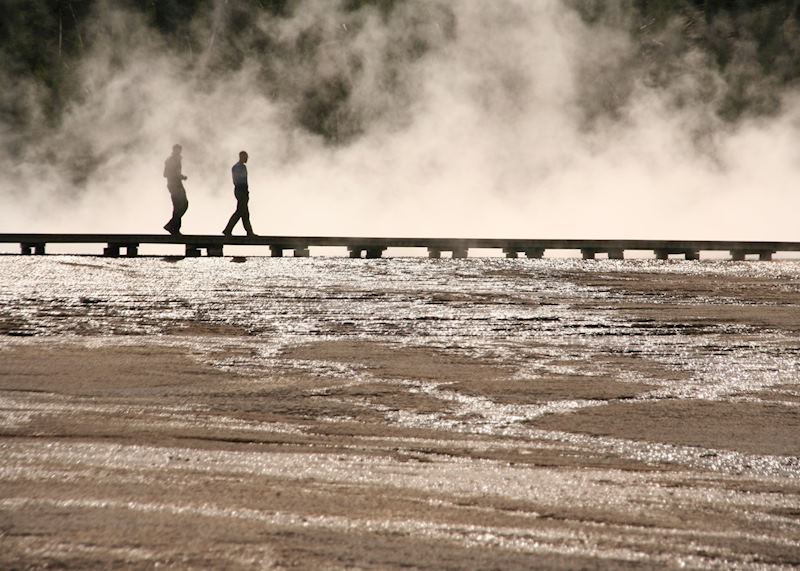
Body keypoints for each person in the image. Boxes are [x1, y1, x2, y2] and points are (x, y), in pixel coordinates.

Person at [223, 150, 256, 236]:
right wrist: (244, 192)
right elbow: (239, 180)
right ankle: (228, 230)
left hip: (241, 190)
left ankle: (249, 232)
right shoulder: (239, 167)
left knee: (244, 213)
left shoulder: (238, 167)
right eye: (246, 157)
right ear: (242, 157)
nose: (247, 159)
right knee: (240, 212)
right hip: (241, 190)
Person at [163, 144, 188, 235]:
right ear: (174, 150)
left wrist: (179, 176)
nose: (179, 152)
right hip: (175, 186)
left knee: (180, 206)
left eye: (179, 150)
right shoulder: (172, 160)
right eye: (177, 150)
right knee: (182, 205)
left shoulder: (175, 160)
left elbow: (166, 174)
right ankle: (173, 227)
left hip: (175, 185)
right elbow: (165, 174)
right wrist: (180, 176)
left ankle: (173, 227)